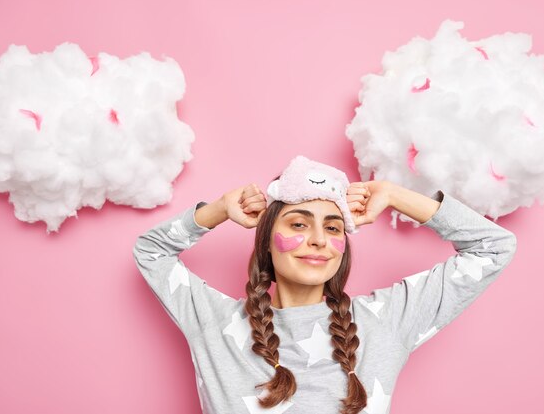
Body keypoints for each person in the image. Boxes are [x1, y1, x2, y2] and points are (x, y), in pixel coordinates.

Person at [133, 155, 517, 414]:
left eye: (332, 228)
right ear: (267, 239)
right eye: (298, 224)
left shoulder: (385, 320)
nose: (318, 239)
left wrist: (396, 195)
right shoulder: (214, 324)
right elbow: (150, 251)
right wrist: (218, 209)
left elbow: (494, 247)